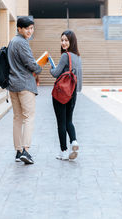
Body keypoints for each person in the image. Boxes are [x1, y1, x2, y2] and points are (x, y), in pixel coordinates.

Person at [7, 17, 42, 164]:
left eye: (32, 28)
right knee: (29, 117)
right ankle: (26, 150)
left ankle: (18, 151)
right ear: (19, 29)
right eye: (27, 28)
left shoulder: (12, 42)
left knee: (17, 118)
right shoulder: (22, 43)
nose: (30, 31)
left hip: (13, 85)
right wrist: (39, 67)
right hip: (24, 85)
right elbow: (31, 64)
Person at [50, 30, 83, 161]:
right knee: (69, 120)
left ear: (71, 42)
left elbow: (55, 73)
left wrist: (51, 67)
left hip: (61, 94)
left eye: (66, 40)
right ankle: (74, 141)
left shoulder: (65, 56)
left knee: (61, 123)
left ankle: (63, 151)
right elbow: (79, 79)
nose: (63, 43)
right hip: (73, 93)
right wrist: (74, 92)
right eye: (62, 40)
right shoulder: (78, 57)